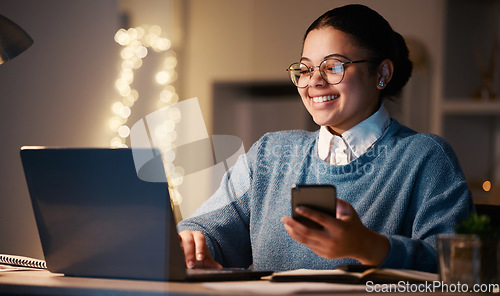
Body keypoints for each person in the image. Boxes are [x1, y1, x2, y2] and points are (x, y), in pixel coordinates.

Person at [177, 4, 472, 272]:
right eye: (304, 69)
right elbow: (207, 230)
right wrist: (194, 242)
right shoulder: (270, 153)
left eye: (333, 67)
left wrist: (369, 246)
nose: (314, 81)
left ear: (381, 73)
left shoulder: (425, 157)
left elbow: (459, 267)